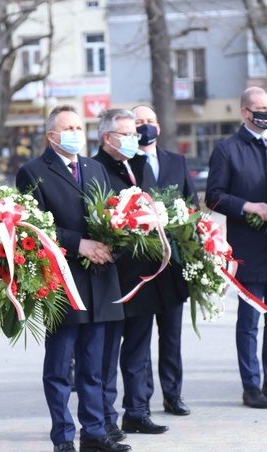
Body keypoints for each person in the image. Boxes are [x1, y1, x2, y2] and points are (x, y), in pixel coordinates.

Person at [16, 105, 130, 452]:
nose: (76, 133)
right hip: (64, 281)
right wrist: (78, 243)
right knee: (59, 366)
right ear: (52, 136)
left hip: (101, 279)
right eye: (69, 128)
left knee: (94, 366)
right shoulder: (32, 171)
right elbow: (33, 227)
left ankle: (94, 432)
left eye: (80, 127)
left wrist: (116, 244)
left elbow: (114, 213)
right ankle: (63, 436)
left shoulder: (94, 167)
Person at [205, 87, 267, 409]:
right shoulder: (227, 149)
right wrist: (248, 205)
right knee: (249, 323)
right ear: (245, 113)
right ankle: (251, 386)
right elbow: (214, 195)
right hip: (250, 249)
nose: (266, 113)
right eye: (260, 108)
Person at [93, 108, 176, 436]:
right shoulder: (94, 168)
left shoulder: (140, 163)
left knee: (139, 349)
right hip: (112, 277)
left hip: (144, 275)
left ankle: (137, 410)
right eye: (126, 134)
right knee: (107, 352)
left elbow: (157, 206)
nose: (134, 139)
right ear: (107, 137)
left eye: (134, 133)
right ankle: (103, 417)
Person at [133, 104, 196, 416]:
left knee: (171, 335)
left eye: (150, 121)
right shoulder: (126, 164)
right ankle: (140, 398)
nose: (146, 126)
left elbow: (192, 206)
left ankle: (173, 395)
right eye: (139, 122)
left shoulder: (176, 160)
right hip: (139, 267)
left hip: (174, 265)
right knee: (140, 337)